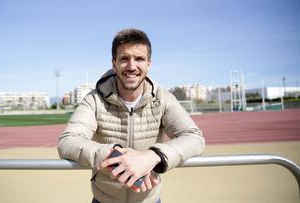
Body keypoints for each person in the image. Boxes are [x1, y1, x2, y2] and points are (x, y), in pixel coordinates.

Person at [58, 28, 205, 203]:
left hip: (149, 200)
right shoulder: (94, 99)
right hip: (104, 200)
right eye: (124, 59)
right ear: (114, 63)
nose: (132, 66)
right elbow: (67, 142)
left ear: (149, 64)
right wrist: (116, 157)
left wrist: (151, 157)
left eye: (139, 59)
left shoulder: (163, 98)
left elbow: (194, 138)